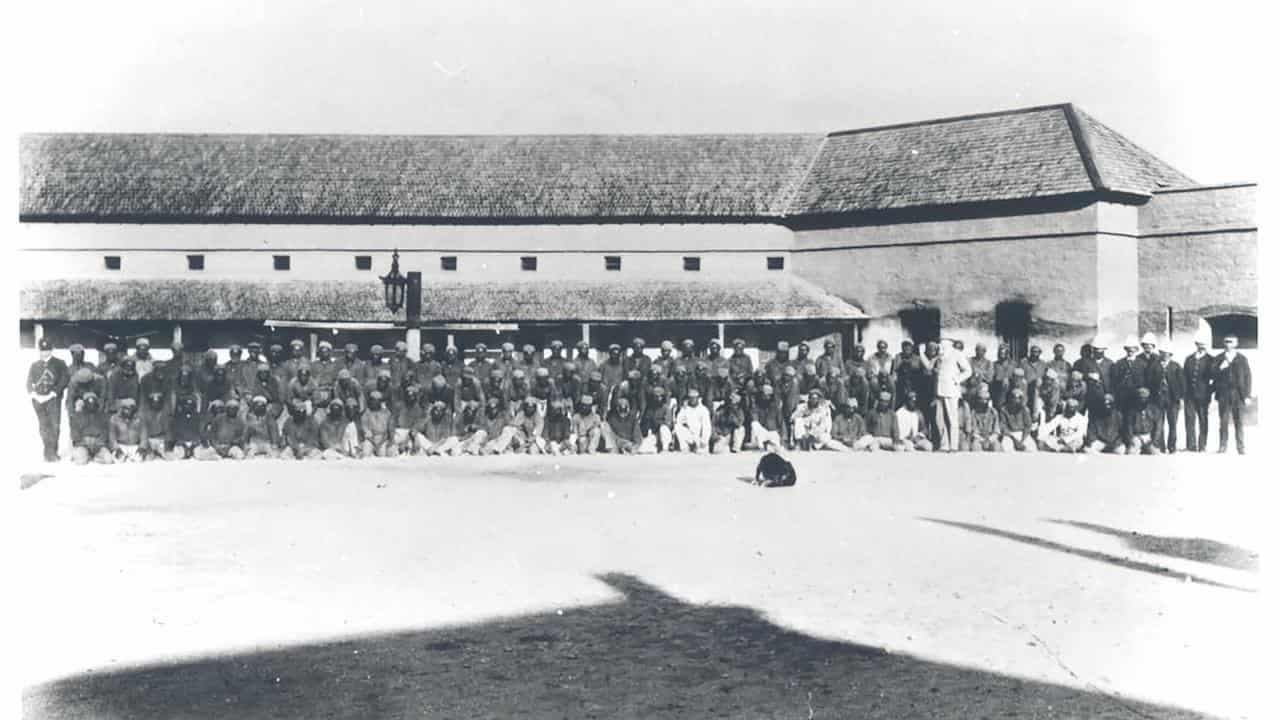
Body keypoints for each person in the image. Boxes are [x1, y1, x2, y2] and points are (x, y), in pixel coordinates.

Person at [28, 337, 69, 462]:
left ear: (51, 350)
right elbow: (29, 382)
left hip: (53, 399)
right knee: (43, 427)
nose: (44, 352)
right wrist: (33, 394)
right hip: (38, 400)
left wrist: (54, 393)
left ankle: (52, 452)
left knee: (54, 426)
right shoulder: (34, 365)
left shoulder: (59, 363)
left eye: (47, 350)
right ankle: (48, 452)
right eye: (42, 350)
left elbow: (64, 379)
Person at [1212, 334, 1251, 454]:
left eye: (1231, 342)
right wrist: (1220, 368)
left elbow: (1248, 377)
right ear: (1224, 343)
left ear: (1236, 344)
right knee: (1223, 421)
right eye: (1226, 342)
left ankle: (1241, 447)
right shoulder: (1218, 358)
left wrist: (1247, 395)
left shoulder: (1242, 359)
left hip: (1238, 394)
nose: (1228, 344)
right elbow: (1212, 375)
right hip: (1224, 394)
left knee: (1239, 421)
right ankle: (1222, 446)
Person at [932, 339, 972, 452]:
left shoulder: (957, 354)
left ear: (949, 344)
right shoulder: (940, 355)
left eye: (942, 343)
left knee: (952, 419)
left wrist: (957, 379)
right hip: (940, 391)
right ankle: (944, 445)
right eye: (940, 343)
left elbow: (968, 370)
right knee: (940, 418)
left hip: (951, 390)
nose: (940, 345)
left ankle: (954, 446)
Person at [1183, 337, 1214, 452]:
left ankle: (1202, 445)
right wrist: (1184, 393)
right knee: (1189, 420)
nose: (1201, 346)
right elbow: (1184, 376)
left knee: (1203, 419)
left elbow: (1213, 378)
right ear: (1196, 344)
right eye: (1199, 344)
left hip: (1203, 395)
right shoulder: (1189, 359)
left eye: (1204, 344)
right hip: (1189, 395)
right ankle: (1191, 445)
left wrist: (1209, 392)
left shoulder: (1211, 359)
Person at [1151, 349, 1184, 453]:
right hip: (1158, 399)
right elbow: (1149, 381)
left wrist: (1181, 398)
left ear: (1170, 354)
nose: (1165, 355)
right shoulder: (1154, 366)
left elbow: (1182, 383)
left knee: (1173, 423)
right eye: (1162, 352)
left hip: (1172, 399)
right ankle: (1161, 446)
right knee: (1159, 424)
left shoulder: (1176, 366)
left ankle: (1172, 446)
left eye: (1167, 353)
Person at [70, 392, 113, 465]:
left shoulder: (102, 415)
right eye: (88, 401)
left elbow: (105, 432)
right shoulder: (78, 416)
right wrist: (83, 442)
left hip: (98, 445)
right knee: (81, 462)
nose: (91, 404)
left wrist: (99, 442)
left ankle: (95, 457)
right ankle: (83, 456)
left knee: (109, 460)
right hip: (83, 444)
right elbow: (74, 433)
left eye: (93, 401)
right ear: (84, 403)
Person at [959, 384, 1001, 452]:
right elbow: (974, 431)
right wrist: (982, 440)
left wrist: (989, 439)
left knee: (997, 447)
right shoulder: (974, 413)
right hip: (978, 438)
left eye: (986, 399)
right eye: (981, 399)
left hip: (991, 437)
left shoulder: (993, 412)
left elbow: (996, 431)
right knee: (975, 447)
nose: (984, 402)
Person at [673, 389, 712, 454]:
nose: (693, 400)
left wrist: (704, 440)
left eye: (694, 398)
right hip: (689, 434)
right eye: (691, 398)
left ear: (698, 398)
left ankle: (697, 447)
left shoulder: (703, 410)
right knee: (677, 427)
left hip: (699, 437)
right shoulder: (685, 409)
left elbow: (707, 427)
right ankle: (685, 447)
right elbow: (678, 421)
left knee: (702, 452)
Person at [1125, 387, 1161, 455]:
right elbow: (1129, 426)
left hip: (1148, 436)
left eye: (1145, 398)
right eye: (1141, 398)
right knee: (1130, 453)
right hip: (1137, 436)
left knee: (1156, 453)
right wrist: (1131, 439)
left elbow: (1158, 426)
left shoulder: (1153, 410)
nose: (1143, 400)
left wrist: (1154, 440)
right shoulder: (1132, 410)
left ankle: (1145, 449)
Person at [107, 398, 145, 462]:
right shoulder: (114, 418)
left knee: (139, 460)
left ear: (134, 409)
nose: (128, 410)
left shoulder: (139, 419)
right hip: (121, 446)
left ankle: (129, 457)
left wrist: (141, 447)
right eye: (125, 408)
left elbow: (144, 435)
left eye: (130, 408)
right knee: (118, 460)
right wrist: (116, 448)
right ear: (122, 408)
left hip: (134, 445)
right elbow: (112, 436)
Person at [359, 391, 394, 457]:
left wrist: (384, 441)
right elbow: (365, 428)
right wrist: (372, 441)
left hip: (383, 439)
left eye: (375, 400)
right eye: (372, 400)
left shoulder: (386, 413)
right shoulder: (366, 413)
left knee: (383, 455)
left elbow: (390, 429)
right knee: (365, 453)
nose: (373, 402)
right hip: (370, 438)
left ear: (380, 402)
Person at [171, 395, 204, 460]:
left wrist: (195, 444)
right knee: (177, 456)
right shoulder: (178, 417)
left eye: (190, 405)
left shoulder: (197, 417)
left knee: (199, 455)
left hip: (194, 443)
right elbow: (175, 431)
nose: (188, 407)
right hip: (181, 443)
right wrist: (181, 443)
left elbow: (200, 431)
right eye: (186, 405)